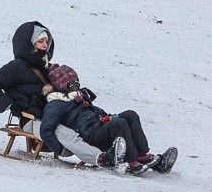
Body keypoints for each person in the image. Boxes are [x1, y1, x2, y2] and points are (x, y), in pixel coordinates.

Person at [0, 22, 109, 167]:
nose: (44, 45)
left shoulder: (46, 68)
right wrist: (12, 105)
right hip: (32, 120)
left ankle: (113, 151)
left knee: (84, 123)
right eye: (40, 41)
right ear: (28, 44)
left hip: (53, 114)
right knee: (63, 133)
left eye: (46, 41)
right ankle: (100, 158)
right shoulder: (16, 67)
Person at [39, 64, 172, 175]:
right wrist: (59, 150)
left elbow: (93, 111)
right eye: (72, 84)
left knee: (130, 115)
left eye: (76, 82)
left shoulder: (79, 96)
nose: (76, 86)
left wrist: (106, 116)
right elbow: (45, 129)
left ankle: (143, 154)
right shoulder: (55, 104)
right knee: (119, 124)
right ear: (62, 86)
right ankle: (132, 162)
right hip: (89, 135)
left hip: (98, 125)